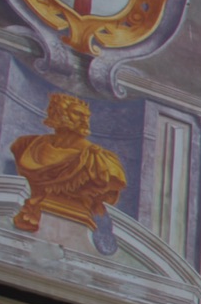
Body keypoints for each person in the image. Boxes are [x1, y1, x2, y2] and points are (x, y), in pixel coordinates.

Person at [9, 91, 126, 232]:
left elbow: (112, 179)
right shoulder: (25, 145)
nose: (84, 120)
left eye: (86, 116)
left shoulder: (99, 159)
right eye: (77, 114)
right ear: (59, 113)